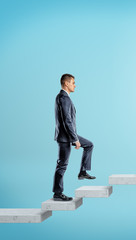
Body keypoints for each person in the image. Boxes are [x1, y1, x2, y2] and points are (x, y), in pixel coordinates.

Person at [53, 73, 96, 201]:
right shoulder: (64, 98)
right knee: (62, 165)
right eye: (73, 83)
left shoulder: (62, 97)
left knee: (89, 144)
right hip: (66, 136)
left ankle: (82, 171)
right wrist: (75, 139)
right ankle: (58, 193)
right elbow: (67, 120)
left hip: (67, 134)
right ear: (66, 83)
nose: (75, 85)